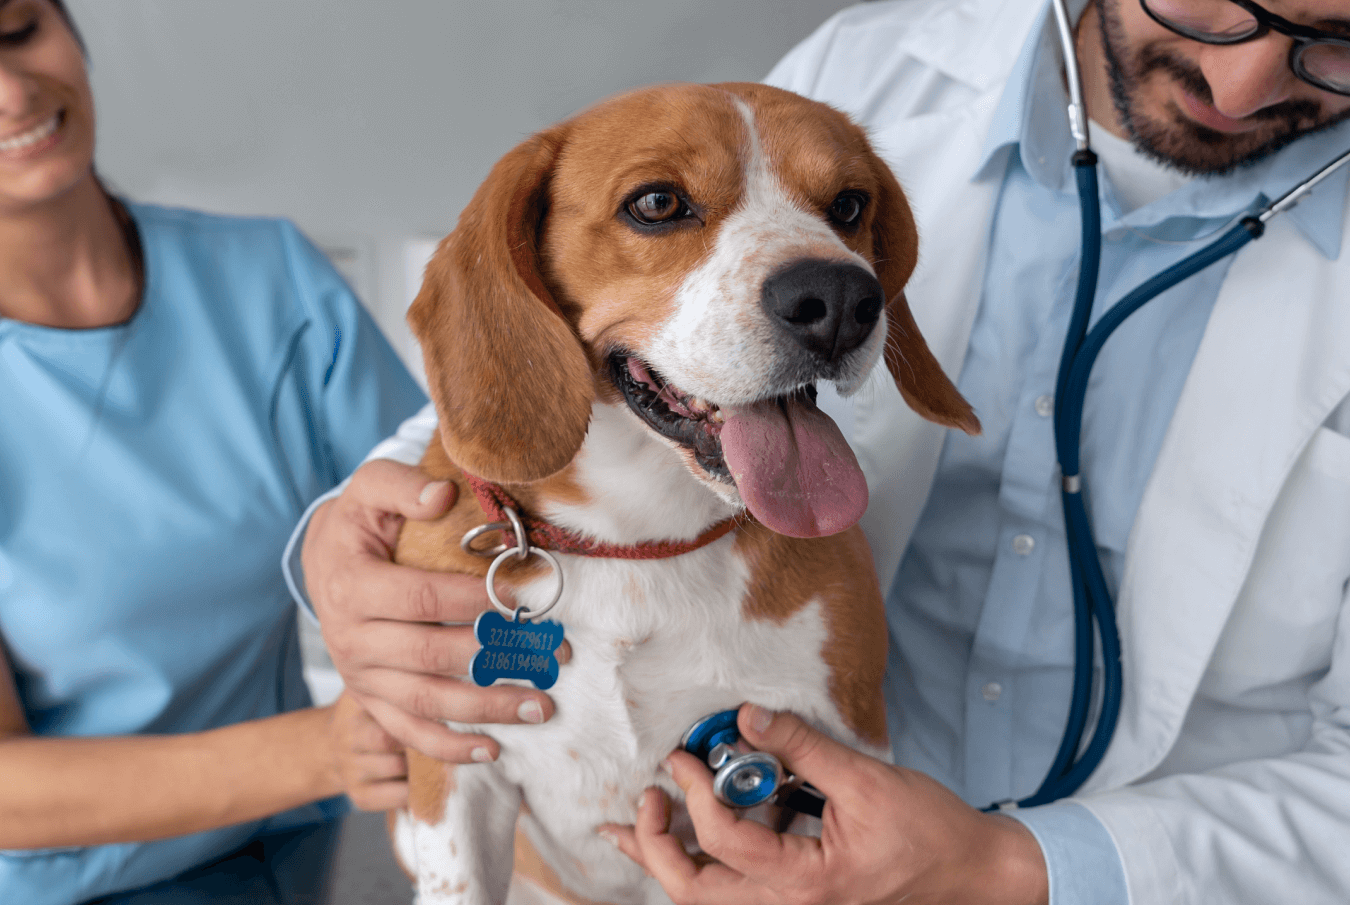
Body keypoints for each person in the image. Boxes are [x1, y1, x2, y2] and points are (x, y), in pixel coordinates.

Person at [296, 0, 1350, 901]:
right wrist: (336, 544)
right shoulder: (866, 74)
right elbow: (519, 384)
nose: (1245, 76)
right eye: (1210, 2)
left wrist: (1016, 864)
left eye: (1331, 38)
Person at [0, 1, 429, 902]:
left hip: (298, 849)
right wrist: (326, 748)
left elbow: (441, 520)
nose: (11, 91)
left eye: (18, 30)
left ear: (70, 31)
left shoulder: (268, 279)